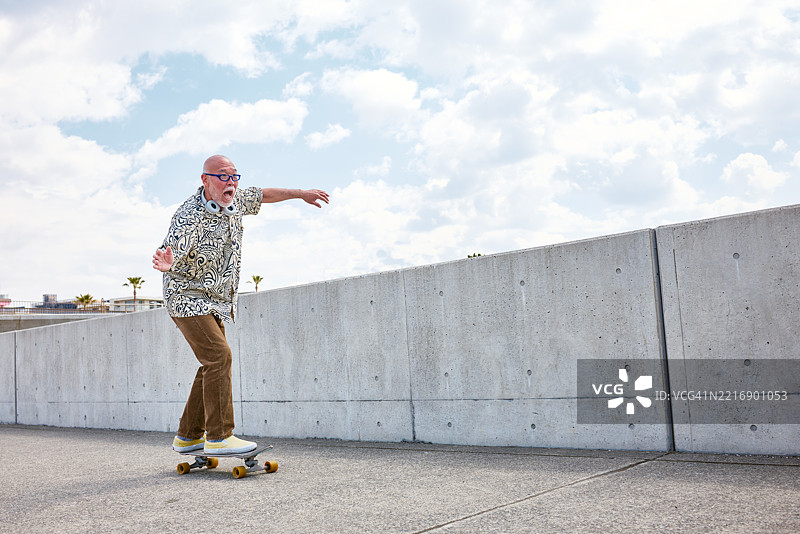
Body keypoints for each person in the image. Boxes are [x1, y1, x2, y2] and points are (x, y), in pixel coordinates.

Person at [152, 155, 329, 454]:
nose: (231, 182)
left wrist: (301, 194)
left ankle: (188, 436)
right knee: (219, 357)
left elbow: (265, 194)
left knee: (211, 363)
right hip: (186, 296)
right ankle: (220, 436)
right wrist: (168, 263)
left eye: (234, 176)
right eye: (223, 176)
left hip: (217, 301)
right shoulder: (188, 215)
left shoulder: (236, 202)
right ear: (205, 180)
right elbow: (173, 247)